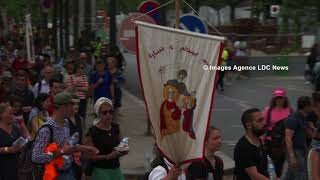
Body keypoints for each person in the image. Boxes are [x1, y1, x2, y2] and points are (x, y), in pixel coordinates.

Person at [32, 92, 99, 179]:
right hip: (53, 175)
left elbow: (68, 146)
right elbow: (36, 157)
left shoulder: (66, 122)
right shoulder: (47, 129)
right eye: (71, 105)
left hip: (68, 171)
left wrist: (86, 148)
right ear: (63, 107)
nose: (74, 107)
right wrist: (61, 152)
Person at [84, 97, 128, 180]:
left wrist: (124, 150)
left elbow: (122, 145)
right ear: (99, 114)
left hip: (116, 170)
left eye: (110, 112)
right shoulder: (92, 132)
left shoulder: (115, 128)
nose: (108, 115)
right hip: (100, 171)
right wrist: (107, 156)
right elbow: (90, 156)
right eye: (104, 113)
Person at [262, 88, 292, 176]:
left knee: (278, 167)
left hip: (283, 144)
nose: (279, 100)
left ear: (284, 99)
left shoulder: (289, 111)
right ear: (274, 99)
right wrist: (261, 141)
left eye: (281, 98)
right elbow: (262, 126)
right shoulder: (268, 110)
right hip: (270, 143)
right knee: (267, 167)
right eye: (277, 98)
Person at [233, 108, 269, 180]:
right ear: (248, 125)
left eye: (263, 119)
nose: (264, 123)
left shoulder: (259, 141)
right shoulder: (243, 147)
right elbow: (254, 176)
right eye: (260, 121)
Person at [282, 96, 312, 180]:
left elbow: (309, 135)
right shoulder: (293, 119)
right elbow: (288, 139)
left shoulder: (303, 117)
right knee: (301, 175)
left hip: (301, 150)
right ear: (306, 106)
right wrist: (292, 156)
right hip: (295, 151)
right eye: (311, 105)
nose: (312, 107)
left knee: (290, 175)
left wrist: (311, 127)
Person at [0, 103, 26, 180]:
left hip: (13, 167)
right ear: (1, 114)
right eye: (10, 113)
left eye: (13, 114)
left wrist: (21, 147)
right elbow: (10, 149)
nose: (13, 116)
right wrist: (8, 149)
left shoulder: (15, 128)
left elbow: (27, 138)